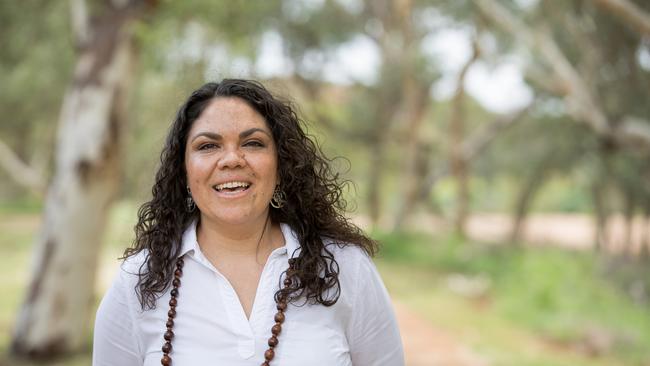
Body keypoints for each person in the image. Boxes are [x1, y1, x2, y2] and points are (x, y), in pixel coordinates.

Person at [92, 79, 404, 366]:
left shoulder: (345, 267)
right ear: (184, 170)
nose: (231, 159)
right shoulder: (138, 281)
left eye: (253, 143)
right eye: (207, 146)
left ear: (281, 165)